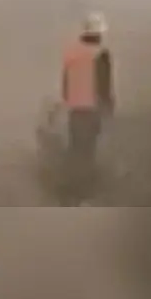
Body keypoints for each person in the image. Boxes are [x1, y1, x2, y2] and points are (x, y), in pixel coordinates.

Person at [59, 11, 115, 205]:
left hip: (75, 108)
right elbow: (104, 85)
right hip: (91, 109)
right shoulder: (101, 54)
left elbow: (65, 84)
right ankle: (84, 192)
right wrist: (108, 107)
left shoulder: (71, 52)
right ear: (98, 33)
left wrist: (70, 100)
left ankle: (69, 190)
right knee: (88, 151)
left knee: (75, 149)